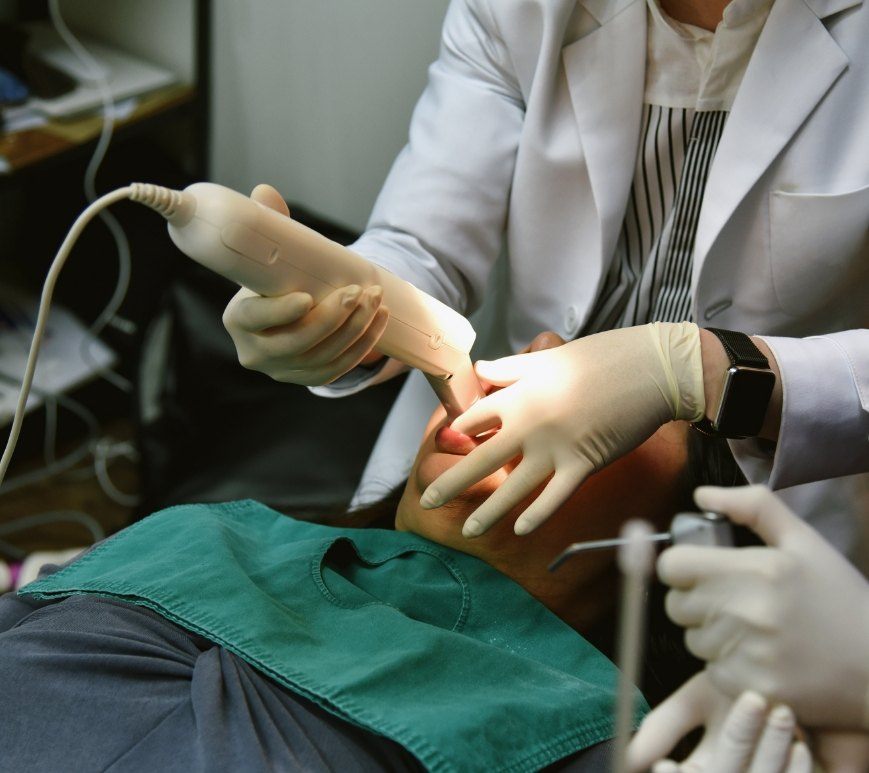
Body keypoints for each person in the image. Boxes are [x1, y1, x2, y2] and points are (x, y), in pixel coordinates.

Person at [222, 0, 868, 552]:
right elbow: (422, 244)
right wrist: (339, 316)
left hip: (787, 482)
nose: (542, 356)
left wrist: (697, 370)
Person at [0, 336, 751, 771]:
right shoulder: (216, 530)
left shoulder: (599, 741)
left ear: (669, 543)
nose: (533, 356)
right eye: (544, 342)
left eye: (606, 383)